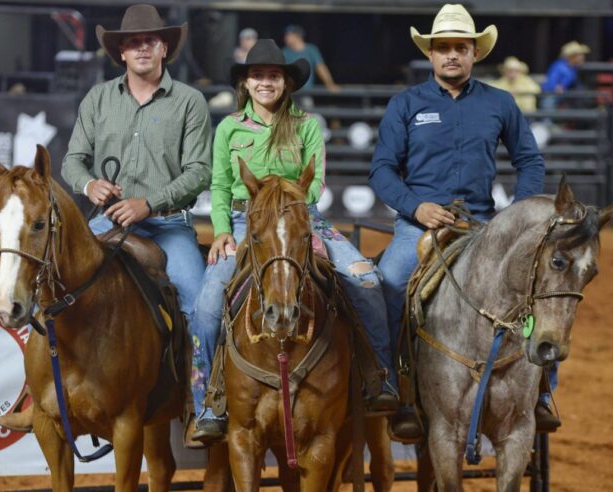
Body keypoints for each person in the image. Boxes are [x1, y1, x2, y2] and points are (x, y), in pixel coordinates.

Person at [0, 3, 212, 432]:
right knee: (48, 278)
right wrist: (89, 184)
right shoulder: (98, 99)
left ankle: (201, 400)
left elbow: (200, 171)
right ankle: (32, 394)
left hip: (167, 225)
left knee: (198, 302)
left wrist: (149, 203)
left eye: (150, 41)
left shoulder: (190, 102)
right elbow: (74, 159)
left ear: (164, 48)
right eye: (133, 43)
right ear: (122, 54)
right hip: (105, 222)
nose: (142, 49)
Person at [188, 39, 396, 445]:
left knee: (367, 281)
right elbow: (218, 186)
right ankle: (208, 402)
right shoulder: (229, 127)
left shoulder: (306, 126)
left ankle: (379, 377)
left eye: (273, 75)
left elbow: (315, 183)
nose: (265, 82)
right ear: (246, 84)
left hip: (304, 219)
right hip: (245, 221)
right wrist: (222, 231)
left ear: (285, 82)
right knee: (208, 300)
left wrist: (289, 199)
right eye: (257, 75)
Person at [369, 3, 551, 441]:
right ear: (431, 54)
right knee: (388, 285)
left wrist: (516, 216)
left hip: (483, 228)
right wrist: (417, 208)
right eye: (444, 48)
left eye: (461, 48)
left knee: (537, 289)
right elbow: (381, 170)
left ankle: (542, 391)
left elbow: (529, 161)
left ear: (474, 54)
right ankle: (391, 386)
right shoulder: (406, 104)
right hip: (420, 228)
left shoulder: (499, 103)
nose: (452, 55)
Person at [282, 24, 340, 93]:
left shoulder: (311, 50)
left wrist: (330, 84)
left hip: (306, 92)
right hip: (288, 92)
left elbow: (321, 68)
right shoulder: (284, 52)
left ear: (298, 36)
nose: (286, 38)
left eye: (289, 35)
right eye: (286, 35)